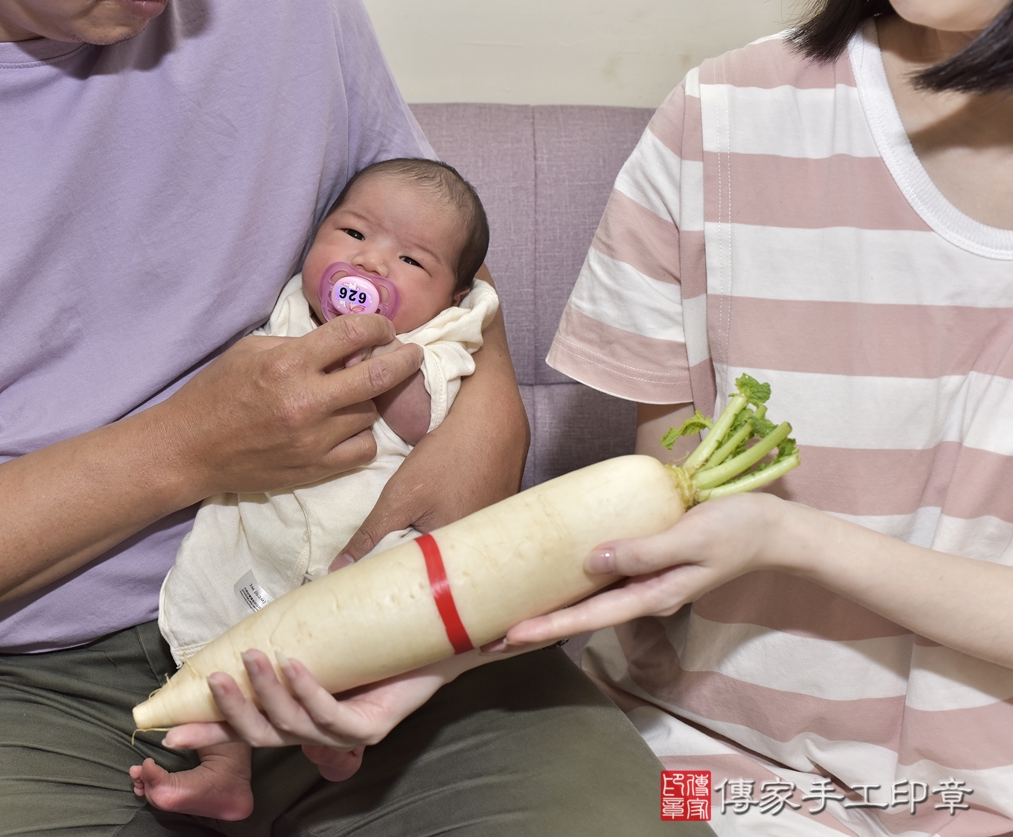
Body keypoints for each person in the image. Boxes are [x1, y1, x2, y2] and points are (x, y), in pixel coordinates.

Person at [0, 1, 700, 834]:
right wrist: (183, 451)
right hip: (32, 676)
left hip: (372, 613)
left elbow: (426, 240)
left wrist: (490, 415)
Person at [164, 1, 1013, 835]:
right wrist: (434, 652)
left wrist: (796, 538)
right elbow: (641, 525)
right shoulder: (719, 114)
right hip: (709, 769)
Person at [131, 157, 499, 819]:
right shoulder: (288, 306)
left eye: (412, 262)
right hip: (257, 533)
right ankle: (222, 769)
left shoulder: (440, 338)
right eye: (354, 234)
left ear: (451, 295)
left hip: (354, 549)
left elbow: (422, 418)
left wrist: (380, 361)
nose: (374, 263)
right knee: (216, 646)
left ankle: (339, 744)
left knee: (365, 648)